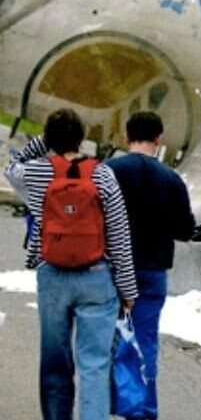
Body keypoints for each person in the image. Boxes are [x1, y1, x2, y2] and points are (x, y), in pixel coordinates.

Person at [4, 108, 137, 420]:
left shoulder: (36, 173)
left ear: (49, 139)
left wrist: (43, 141)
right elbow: (119, 234)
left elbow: (11, 167)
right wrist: (128, 290)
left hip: (52, 275)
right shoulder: (103, 174)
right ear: (81, 138)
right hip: (96, 276)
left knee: (55, 361)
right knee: (95, 364)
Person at [106, 111, 195, 420]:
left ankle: (109, 405)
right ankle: (143, 411)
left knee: (107, 340)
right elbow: (185, 230)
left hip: (112, 270)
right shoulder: (171, 179)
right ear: (159, 139)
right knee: (145, 342)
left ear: (126, 137)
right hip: (153, 270)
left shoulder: (109, 171)